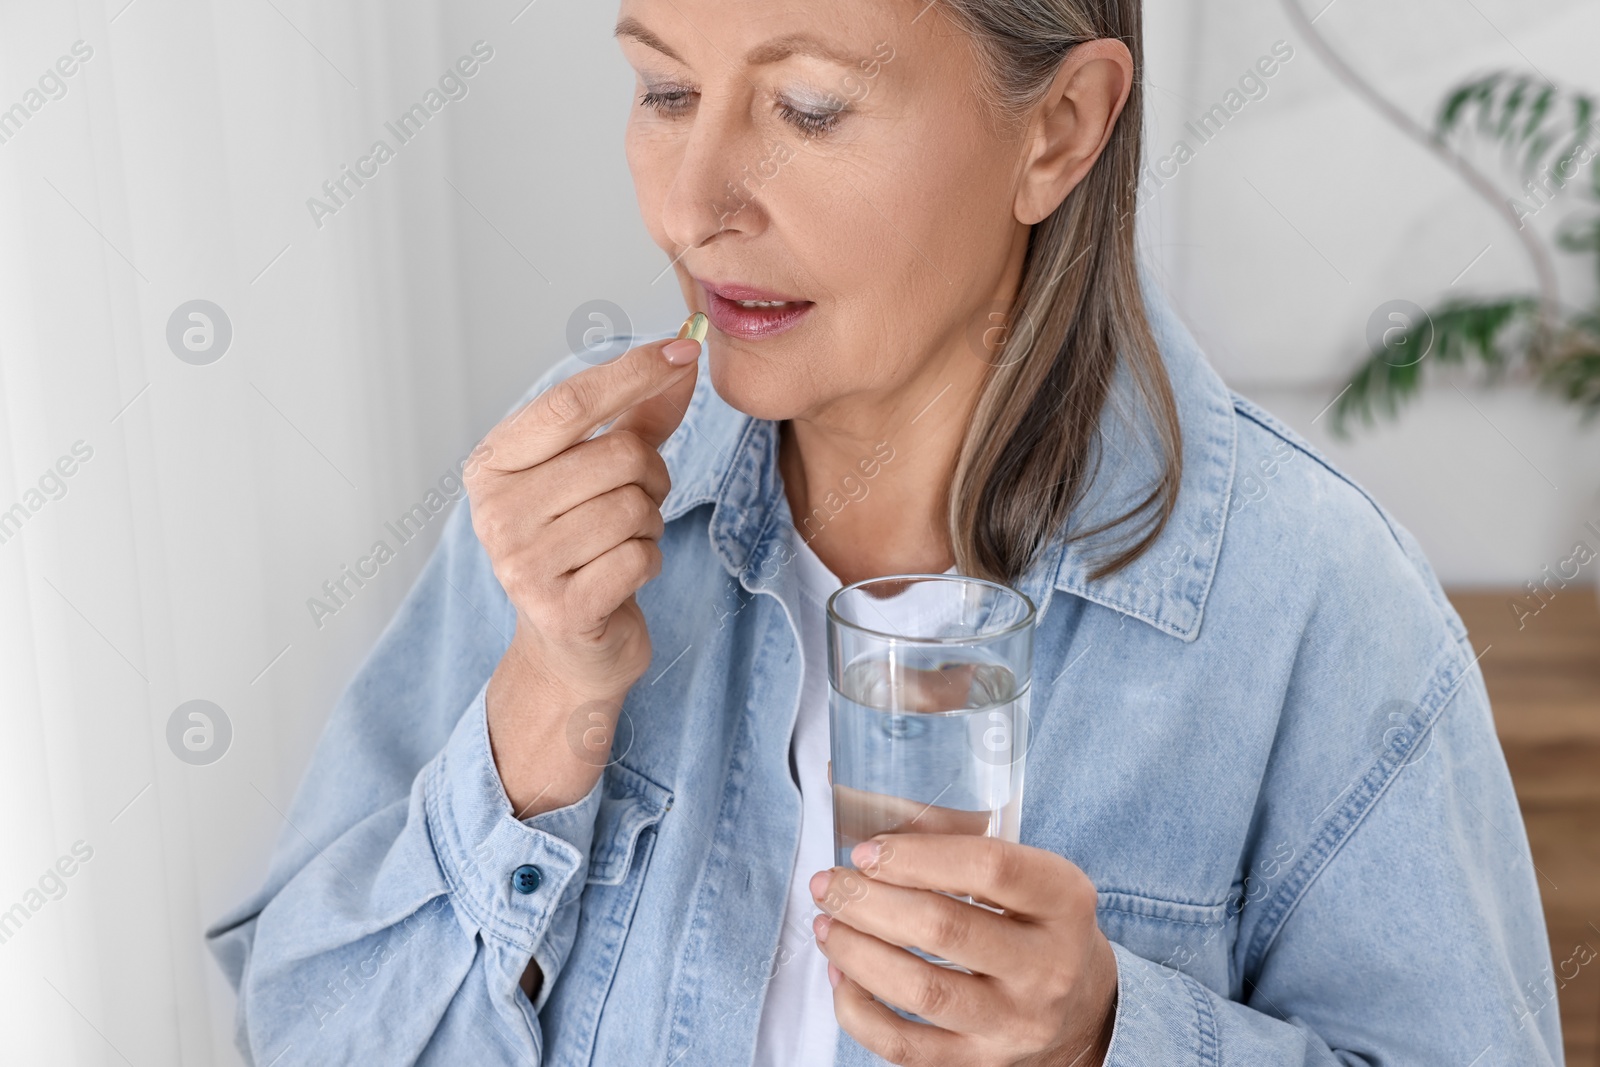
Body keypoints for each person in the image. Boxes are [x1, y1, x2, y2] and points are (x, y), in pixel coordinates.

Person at [206, 0, 1563, 1063]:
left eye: (807, 108)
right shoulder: (563, 507)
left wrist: (1108, 1041)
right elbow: (306, 1032)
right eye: (665, 89)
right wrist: (541, 712)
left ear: (1060, 130)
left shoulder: (1318, 607)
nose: (694, 206)